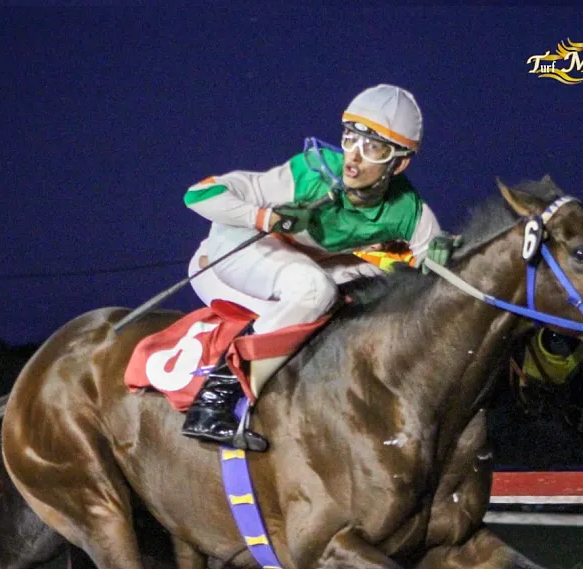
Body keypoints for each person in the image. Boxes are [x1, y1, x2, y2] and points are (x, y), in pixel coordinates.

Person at [179, 84, 457, 451]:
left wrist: (444, 256)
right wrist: (265, 217)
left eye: (373, 148)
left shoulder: (410, 212)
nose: (354, 157)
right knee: (315, 290)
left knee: (376, 287)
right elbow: (197, 194)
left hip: (293, 262)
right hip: (227, 255)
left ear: (399, 163)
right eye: (350, 139)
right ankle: (212, 402)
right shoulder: (310, 173)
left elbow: (432, 282)